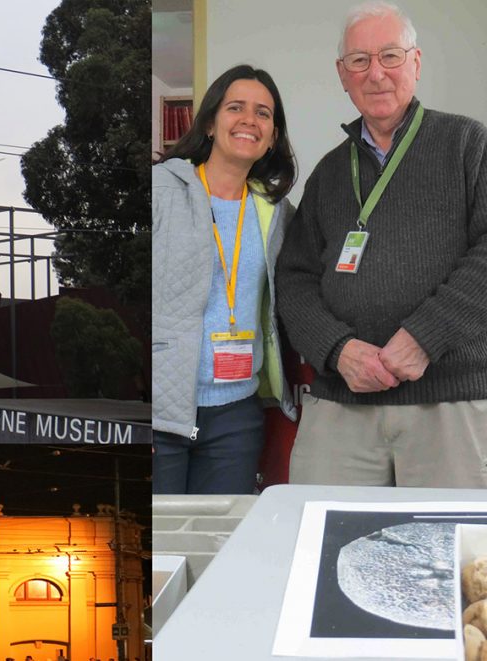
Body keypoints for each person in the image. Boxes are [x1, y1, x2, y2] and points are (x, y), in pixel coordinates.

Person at [276, 1, 487, 487]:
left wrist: (425, 336)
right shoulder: (329, 173)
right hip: (341, 405)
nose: (376, 74)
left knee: (446, 556)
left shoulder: (466, 144)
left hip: (447, 404)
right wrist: (337, 350)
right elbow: (295, 279)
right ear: (341, 74)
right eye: (359, 61)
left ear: (415, 63)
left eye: (390, 56)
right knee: (320, 546)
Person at [152, 64, 298, 494]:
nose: (249, 120)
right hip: (162, 411)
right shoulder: (160, 190)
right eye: (236, 107)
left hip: (236, 414)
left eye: (264, 113)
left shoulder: (276, 213)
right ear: (212, 122)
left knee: (216, 543)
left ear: (272, 135)